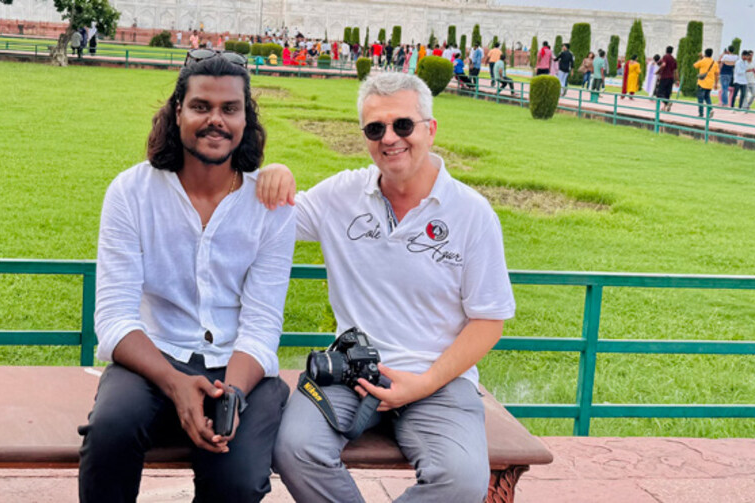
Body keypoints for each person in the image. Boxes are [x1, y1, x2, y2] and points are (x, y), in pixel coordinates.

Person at [256, 71, 515, 503]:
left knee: (461, 481)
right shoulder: (341, 195)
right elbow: (271, 219)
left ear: (430, 130)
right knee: (294, 449)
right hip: (352, 370)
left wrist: (425, 382)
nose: (390, 138)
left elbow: (488, 321)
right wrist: (275, 174)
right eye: (376, 128)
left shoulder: (472, 213)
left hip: (439, 377)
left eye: (403, 125)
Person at [77, 53, 294, 503]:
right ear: (178, 112)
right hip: (154, 358)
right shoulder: (132, 193)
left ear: (245, 118)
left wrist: (229, 395)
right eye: (201, 106)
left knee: (236, 479)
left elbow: (261, 325)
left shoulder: (268, 205)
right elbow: (115, 318)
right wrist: (176, 384)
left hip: (240, 367)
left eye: (230, 109)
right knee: (110, 432)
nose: (216, 120)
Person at [694, 48, 719, 118]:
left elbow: (695, 65)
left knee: (700, 99)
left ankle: (701, 114)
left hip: (702, 83)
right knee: (707, 97)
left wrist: (700, 58)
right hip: (710, 83)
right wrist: (716, 84)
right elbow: (717, 74)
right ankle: (710, 109)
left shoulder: (703, 61)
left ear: (705, 53)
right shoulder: (715, 63)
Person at [655, 46, 678, 111]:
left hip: (664, 77)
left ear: (666, 50)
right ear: (672, 51)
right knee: (667, 94)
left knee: (659, 93)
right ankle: (665, 107)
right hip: (671, 78)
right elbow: (675, 71)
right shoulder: (674, 59)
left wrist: (658, 71)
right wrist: (677, 80)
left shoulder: (665, 57)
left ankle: (667, 102)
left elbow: (663, 64)